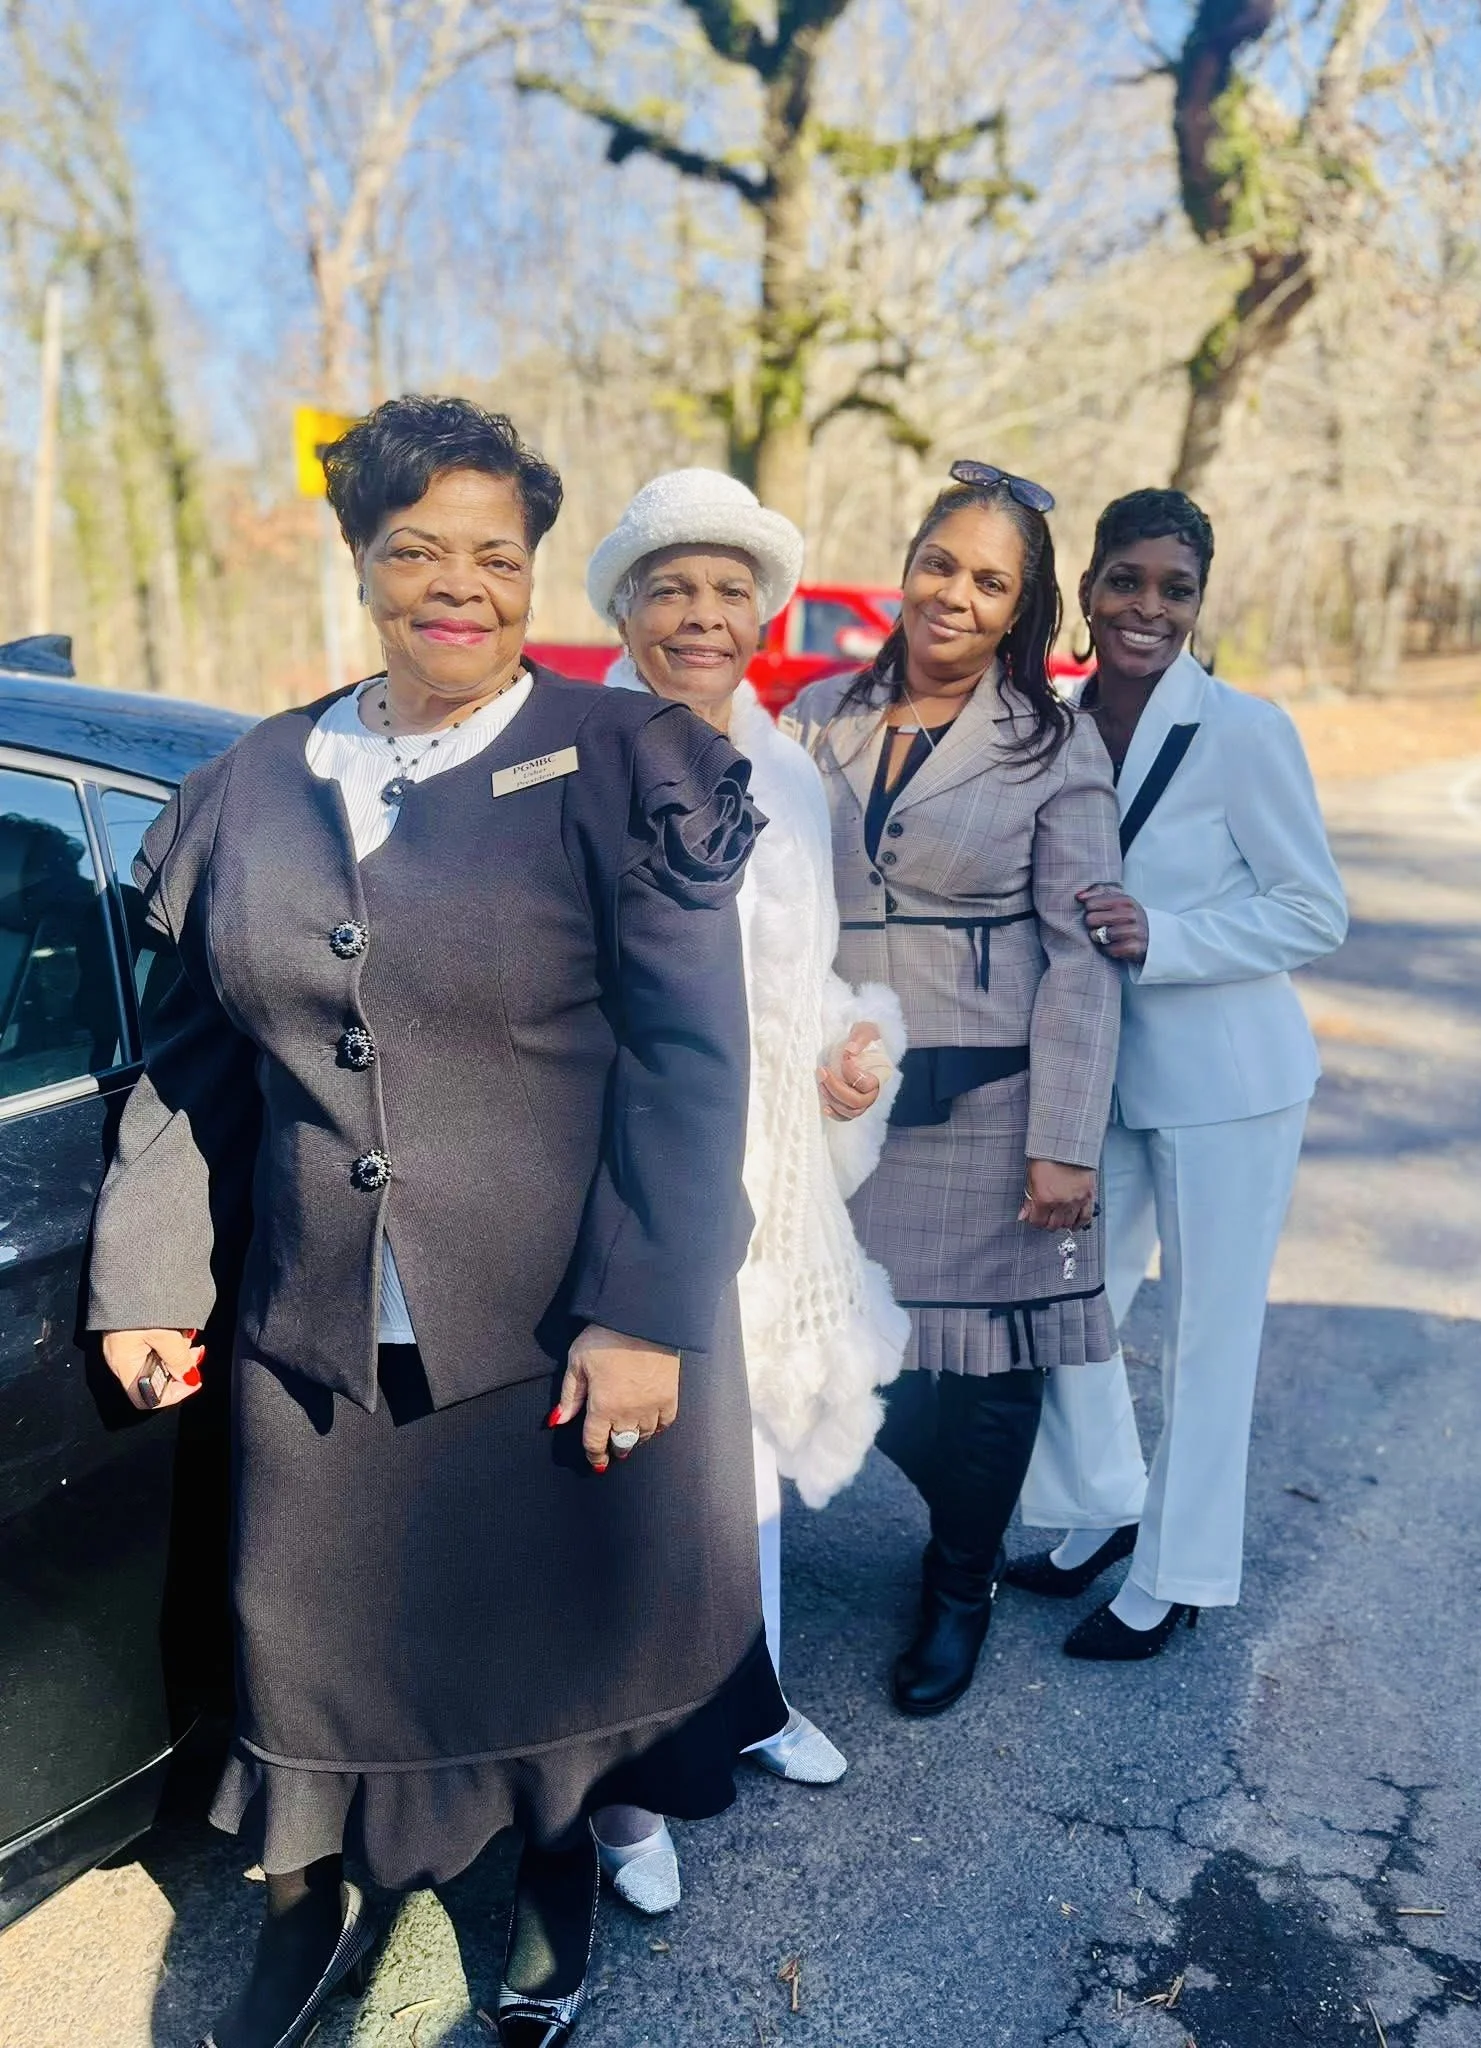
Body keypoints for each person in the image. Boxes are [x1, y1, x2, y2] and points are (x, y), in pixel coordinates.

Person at [87, 395, 786, 2048]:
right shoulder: (253, 781)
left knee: (545, 1640)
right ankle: (336, 1909)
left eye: (495, 553)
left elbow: (693, 1067)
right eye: (417, 550)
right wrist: (144, 1272)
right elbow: (189, 1070)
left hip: (559, 1315)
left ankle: (552, 1900)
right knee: (336, 1641)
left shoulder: (628, 767)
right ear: (359, 560)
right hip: (321, 1319)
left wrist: (643, 1311)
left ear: (533, 573)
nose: (456, 586)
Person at [582, 467, 910, 1909]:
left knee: (757, 1449)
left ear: (761, 613)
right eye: (673, 590)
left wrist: (852, 1054)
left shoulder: (785, 767)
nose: (704, 617)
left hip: (771, 1155)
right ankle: (620, 1791)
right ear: (627, 609)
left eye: (729, 592)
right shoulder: (577, 755)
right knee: (635, 1473)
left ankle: (749, 1696)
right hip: (633, 1161)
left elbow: (808, 964)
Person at [781, 461, 1123, 1717]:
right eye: (942, 564)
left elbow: (1082, 954)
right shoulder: (820, 713)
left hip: (990, 1099)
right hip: (838, 1094)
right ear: (908, 563)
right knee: (849, 1347)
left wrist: (1066, 1138)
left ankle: (960, 1582)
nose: (957, 595)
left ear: (1022, 608)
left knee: (978, 1382)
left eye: (992, 581)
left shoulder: (1053, 741)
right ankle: (946, 1540)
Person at [1012, 487, 1349, 1658]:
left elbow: (1315, 908)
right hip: (1096, 1073)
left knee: (1208, 1328)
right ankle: (1098, 1503)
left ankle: (1180, 1568)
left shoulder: (1246, 729)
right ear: (1090, 586)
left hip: (1231, 1080)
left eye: (1176, 588)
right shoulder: (1049, 721)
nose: (1147, 607)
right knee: (1075, 1299)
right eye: (1127, 580)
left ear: (1199, 603)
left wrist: (1173, 933)